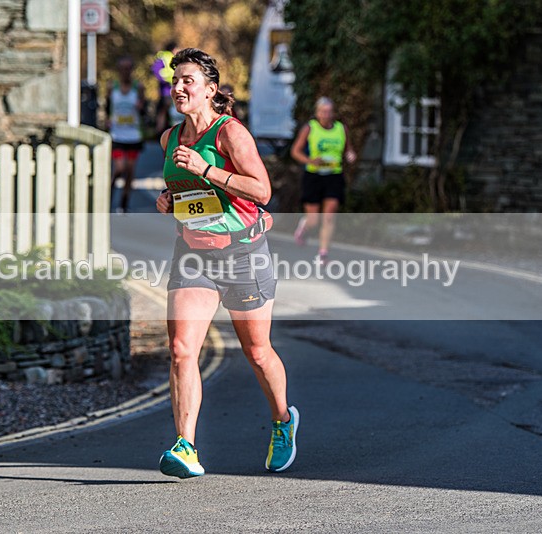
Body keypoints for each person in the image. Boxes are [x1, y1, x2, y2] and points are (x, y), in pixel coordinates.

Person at [155, 48, 299, 479]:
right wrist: (168, 202)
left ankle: (282, 421)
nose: (179, 87)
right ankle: (186, 446)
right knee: (181, 350)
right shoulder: (169, 138)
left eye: (188, 80)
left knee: (256, 352)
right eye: (175, 80)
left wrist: (207, 170)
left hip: (242, 254)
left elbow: (262, 190)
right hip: (193, 254)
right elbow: (185, 194)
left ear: (209, 90)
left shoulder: (229, 134)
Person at [289, 97, 357, 264]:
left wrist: (350, 155)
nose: (326, 115)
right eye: (322, 112)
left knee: (329, 216)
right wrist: (310, 161)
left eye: (328, 112)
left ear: (333, 113)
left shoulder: (341, 129)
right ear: (317, 113)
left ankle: (323, 253)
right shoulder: (309, 128)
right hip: (314, 176)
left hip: (334, 175)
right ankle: (305, 226)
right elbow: (295, 152)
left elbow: (349, 149)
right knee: (314, 220)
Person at [107, 56, 145, 213]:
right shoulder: (112, 87)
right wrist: (108, 120)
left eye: (128, 69)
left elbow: (144, 109)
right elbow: (107, 106)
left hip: (134, 134)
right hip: (117, 134)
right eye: (122, 69)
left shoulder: (139, 87)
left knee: (130, 170)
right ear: (118, 70)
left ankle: (124, 202)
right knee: (119, 168)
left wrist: (141, 107)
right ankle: (108, 196)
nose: (125, 72)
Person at [152, 41, 185, 134]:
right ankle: (160, 132)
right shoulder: (164, 57)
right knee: (164, 111)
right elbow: (156, 71)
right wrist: (166, 79)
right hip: (166, 90)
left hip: (172, 88)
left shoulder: (175, 58)